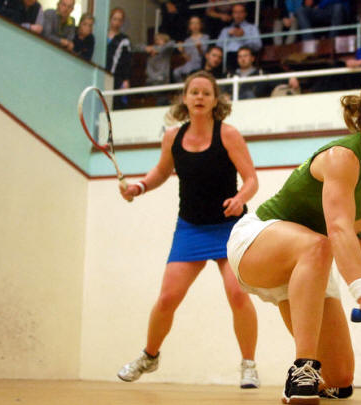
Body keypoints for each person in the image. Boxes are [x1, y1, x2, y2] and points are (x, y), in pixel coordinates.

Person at [226, 73, 361, 404]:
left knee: (339, 379)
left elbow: (357, 207)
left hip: (308, 263)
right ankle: (302, 368)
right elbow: (338, 227)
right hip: (257, 242)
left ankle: (315, 373)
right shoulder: (341, 157)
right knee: (320, 244)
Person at [117, 70, 261, 389]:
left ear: (215, 100)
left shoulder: (228, 135)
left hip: (229, 227)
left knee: (238, 294)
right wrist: (139, 187)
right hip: (191, 228)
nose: (199, 97)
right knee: (168, 298)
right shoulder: (172, 137)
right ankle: (149, 356)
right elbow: (160, 172)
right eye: (194, 92)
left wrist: (240, 198)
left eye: (206, 93)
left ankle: (249, 365)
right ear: (184, 98)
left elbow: (251, 179)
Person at [216, 3, 262, 73]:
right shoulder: (226, 30)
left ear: (245, 14)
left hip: (245, 57)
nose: (238, 15)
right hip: (228, 59)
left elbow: (258, 46)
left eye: (241, 12)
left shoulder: (252, 28)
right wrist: (228, 35)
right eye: (235, 12)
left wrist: (243, 37)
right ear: (232, 14)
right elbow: (218, 47)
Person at [106, 7, 132, 109]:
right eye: (115, 19)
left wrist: (126, 79)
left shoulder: (124, 40)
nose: (116, 22)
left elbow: (127, 61)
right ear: (110, 19)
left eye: (119, 20)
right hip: (102, 73)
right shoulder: (103, 35)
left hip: (116, 77)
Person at [173, 15, 210, 82]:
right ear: (189, 26)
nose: (195, 25)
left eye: (197, 23)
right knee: (176, 72)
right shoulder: (187, 40)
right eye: (192, 23)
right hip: (190, 64)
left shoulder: (206, 37)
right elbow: (188, 58)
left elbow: (205, 55)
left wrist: (199, 48)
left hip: (200, 63)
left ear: (201, 25)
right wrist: (182, 51)